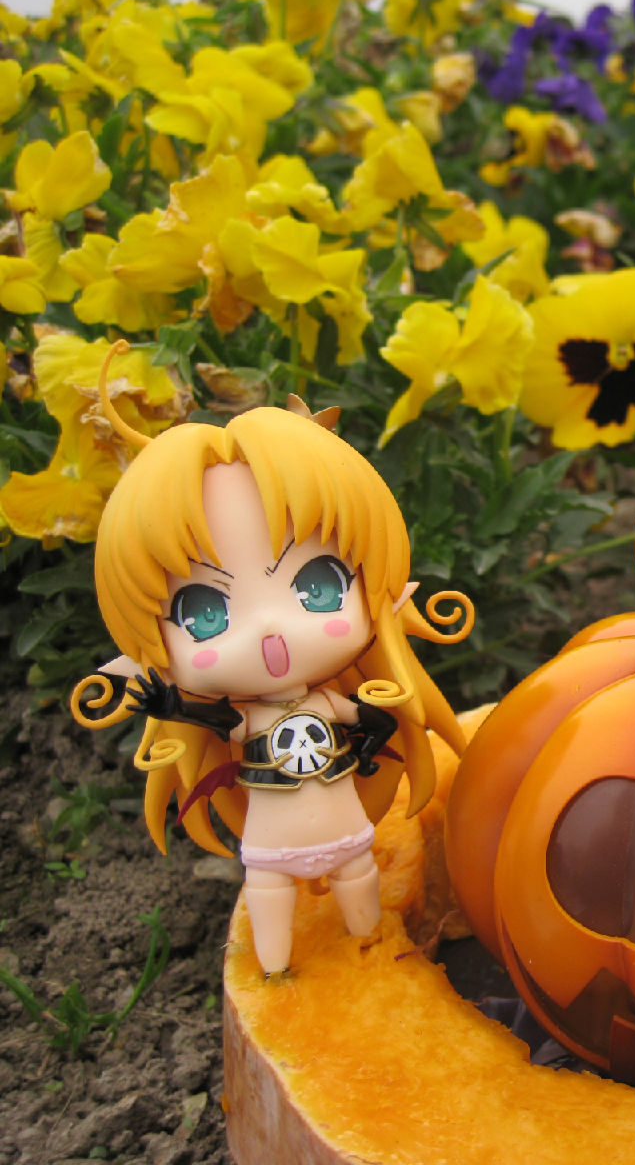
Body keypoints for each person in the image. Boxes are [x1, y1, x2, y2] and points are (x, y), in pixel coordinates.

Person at [74, 343, 472, 976]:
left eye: (317, 586)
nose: (269, 631)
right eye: (205, 613)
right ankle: (277, 967)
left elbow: (371, 720)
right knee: (270, 892)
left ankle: (368, 942)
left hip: (342, 828)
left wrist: (373, 739)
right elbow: (212, 721)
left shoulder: (331, 701)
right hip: (270, 840)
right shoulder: (249, 720)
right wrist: (162, 700)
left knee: (357, 880)